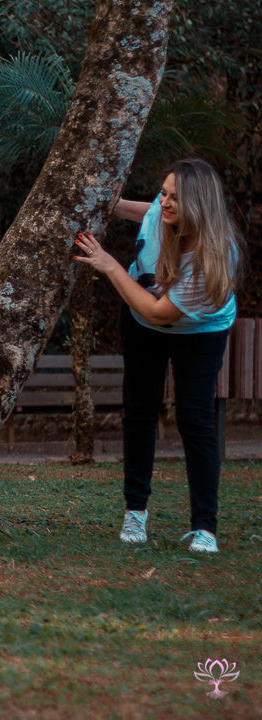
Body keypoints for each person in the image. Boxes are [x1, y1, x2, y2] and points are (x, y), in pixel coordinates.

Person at [74, 159, 244, 553]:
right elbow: (149, 211)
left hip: (198, 331)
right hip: (140, 320)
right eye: (163, 193)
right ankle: (135, 511)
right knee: (139, 410)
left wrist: (109, 265)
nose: (163, 202)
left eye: (174, 198)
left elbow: (158, 313)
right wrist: (114, 205)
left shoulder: (213, 256)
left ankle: (205, 527)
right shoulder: (162, 210)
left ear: (198, 206)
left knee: (194, 420)